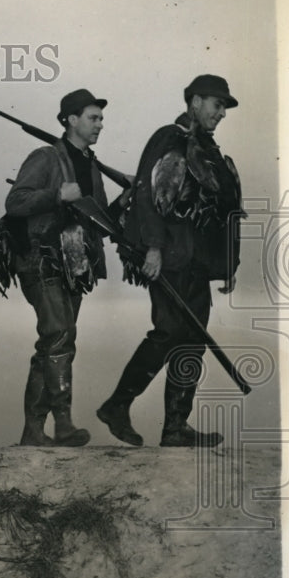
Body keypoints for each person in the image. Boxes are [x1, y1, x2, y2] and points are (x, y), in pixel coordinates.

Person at [97, 75, 242, 448]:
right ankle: (117, 405)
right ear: (195, 102)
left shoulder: (208, 150)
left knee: (192, 341)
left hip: (198, 263)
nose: (222, 113)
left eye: (224, 107)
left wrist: (228, 264)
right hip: (171, 257)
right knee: (168, 332)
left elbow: (224, 212)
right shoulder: (169, 137)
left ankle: (175, 427)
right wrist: (154, 249)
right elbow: (146, 194)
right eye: (217, 104)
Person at [5, 89, 121, 447]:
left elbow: (100, 219)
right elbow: (15, 201)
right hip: (42, 260)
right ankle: (64, 424)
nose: (100, 124)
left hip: (75, 263)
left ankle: (33, 432)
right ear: (71, 119)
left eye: (100, 118)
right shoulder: (46, 157)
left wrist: (129, 197)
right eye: (93, 117)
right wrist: (56, 195)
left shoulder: (91, 166)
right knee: (59, 335)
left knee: (56, 340)